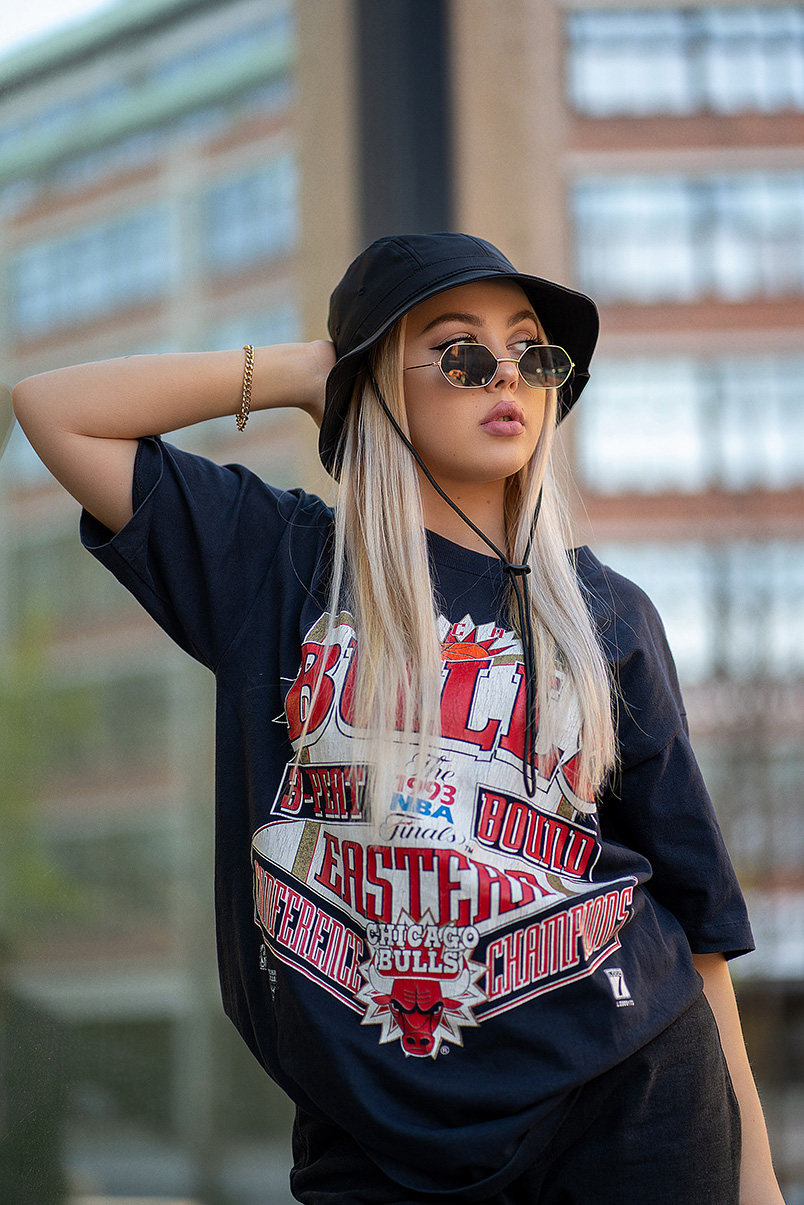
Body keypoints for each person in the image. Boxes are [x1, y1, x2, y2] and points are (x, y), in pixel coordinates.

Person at [12, 232, 784, 1204]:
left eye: (533, 352)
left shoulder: (606, 614)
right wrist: (306, 373)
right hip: (371, 1130)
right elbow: (54, 410)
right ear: (377, 380)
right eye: (462, 353)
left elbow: (697, 916)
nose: (507, 375)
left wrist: (757, 1177)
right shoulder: (283, 565)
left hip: (631, 1094)